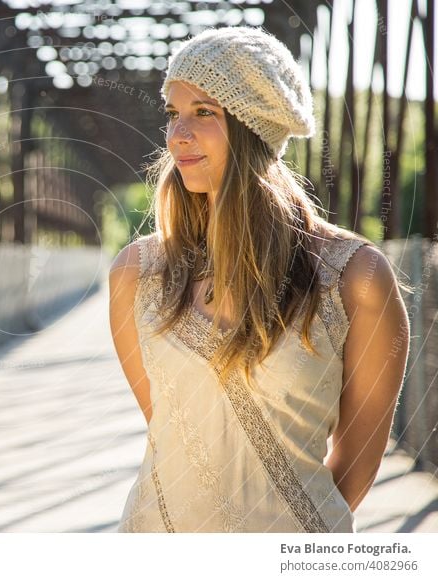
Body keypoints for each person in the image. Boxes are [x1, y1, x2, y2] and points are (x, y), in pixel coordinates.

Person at [108, 26, 411, 533]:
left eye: (204, 111)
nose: (177, 134)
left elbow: (358, 461)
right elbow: (177, 432)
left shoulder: (354, 278)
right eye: (173, 112)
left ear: (254, 128)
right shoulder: (138, 276)